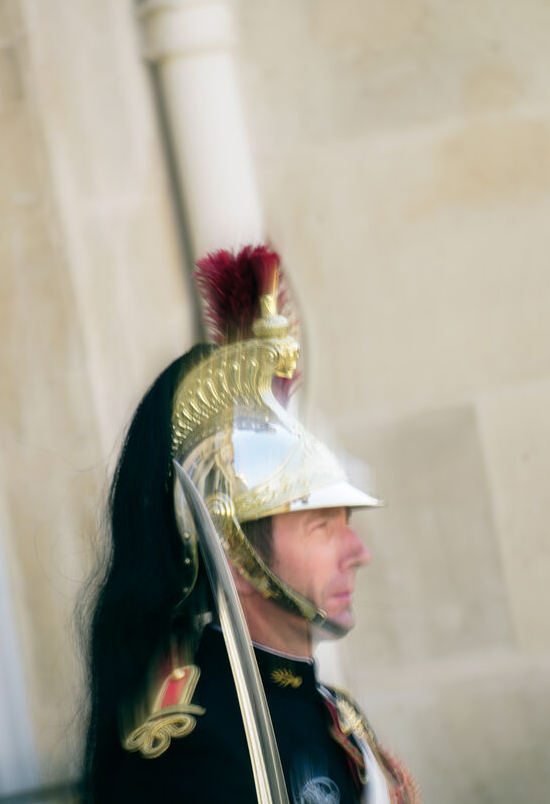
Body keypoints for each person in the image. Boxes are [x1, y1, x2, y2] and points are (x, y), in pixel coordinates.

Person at [80, 245, 420, 803]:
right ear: (236, 559)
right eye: (320, 526)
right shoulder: (186, 752)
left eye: (346, 520)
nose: (358, 551)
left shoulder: (335, 716)